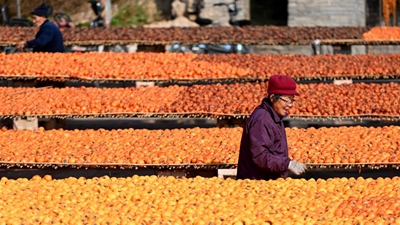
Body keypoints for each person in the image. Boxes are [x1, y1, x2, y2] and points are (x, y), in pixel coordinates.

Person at [237, 74, 307, 180]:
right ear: (273, 98)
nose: (290, 105)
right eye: (287, 100)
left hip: (270, 182)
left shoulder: (275, 116)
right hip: (257, 184)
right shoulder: (262, 120)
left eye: (292, 100)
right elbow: (260, 156)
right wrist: (287, 164)